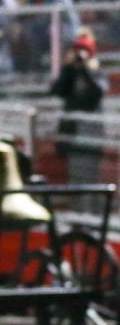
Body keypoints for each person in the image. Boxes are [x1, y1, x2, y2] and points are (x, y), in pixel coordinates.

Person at [50, 29, 109, 208]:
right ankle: (78, 218)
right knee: (75, 181)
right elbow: (57, 90)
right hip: (73, 137)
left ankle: (90, 218)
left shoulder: (97, 74)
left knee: (89, 181)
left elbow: (97, 93)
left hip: (90, 137)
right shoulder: (71, 73)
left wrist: (85, 70)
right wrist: (69, 68)